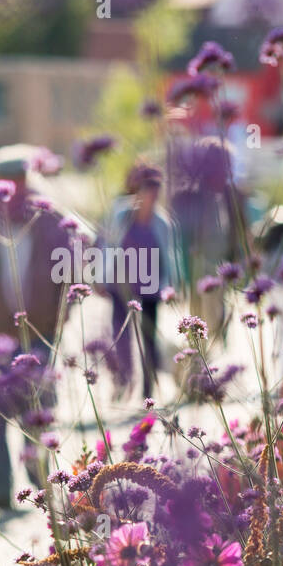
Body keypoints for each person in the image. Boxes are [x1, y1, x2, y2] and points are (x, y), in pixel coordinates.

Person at [0, 146, 74, 510]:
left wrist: (64, 311)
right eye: (5, 183)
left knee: (38, 406)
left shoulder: (52, 218)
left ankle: (42, 481)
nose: (14, 190)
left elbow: (69, 272)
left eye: (21, 181)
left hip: (39, 329)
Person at [100, 163, 181, 400]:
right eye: (148, 190)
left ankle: (149, 387)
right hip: (121, 287)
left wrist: (170, 285)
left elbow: (169, 256)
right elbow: (107, 247)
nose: (152, 196)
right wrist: (100, 279)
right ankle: (124, 381)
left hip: (150, 288)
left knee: (149, 338)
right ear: (138, 191)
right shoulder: (120, 215)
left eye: (157, 191)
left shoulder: (162, 222)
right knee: (121, 337)